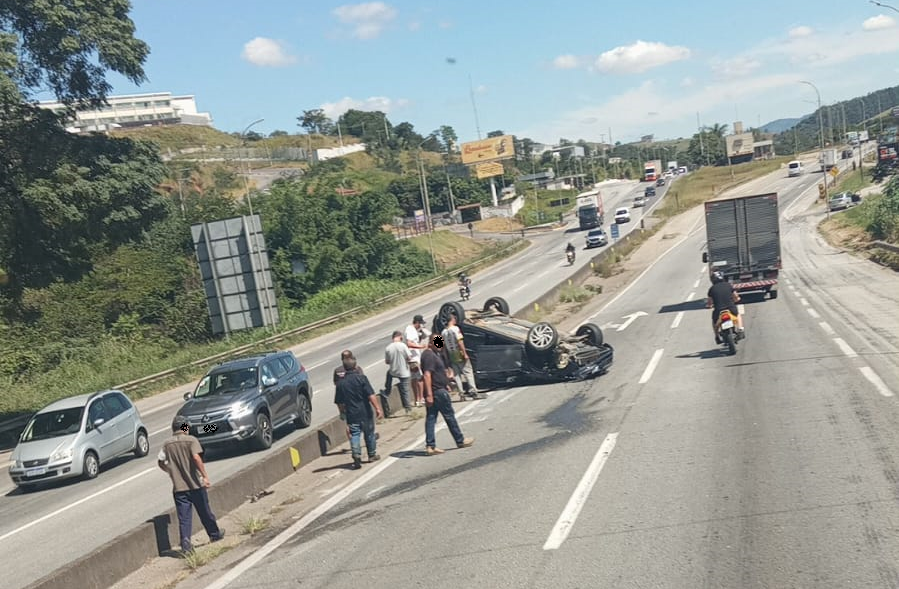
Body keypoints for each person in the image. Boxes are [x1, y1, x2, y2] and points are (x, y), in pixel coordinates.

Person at [157, 423, 225, 553]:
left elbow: (160, 461)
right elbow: (196, 457)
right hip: (195, 485)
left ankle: (186, 544)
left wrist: (170, 471)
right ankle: (214, 534)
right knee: (205, 511)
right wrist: (205, 476)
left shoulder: (167, 444)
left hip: (179, 488)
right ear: (185, 428)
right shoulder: (191, 440)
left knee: (184, 518)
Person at [421, 333, 474, 456]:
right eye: (437, 342)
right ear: (430, 343)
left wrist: (447, 382)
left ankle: (430, 445)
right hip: (437, 391)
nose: (440, 345)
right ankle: (460, 440)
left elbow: (436, 374)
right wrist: (429, 394)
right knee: (449, 415)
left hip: (438, 389)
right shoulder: (429, 355)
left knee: (431, 418)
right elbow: (427, 375)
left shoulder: (434, 354)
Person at [335, 357, 383, 469]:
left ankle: (356, 454)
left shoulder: (341, 384)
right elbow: (370, 395)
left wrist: (342, 411)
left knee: (355, 434)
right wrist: (378, 408)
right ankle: (372, 455)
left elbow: (339, 402)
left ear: (345, 368)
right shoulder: (362, 378)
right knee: (369, 433)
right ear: (355, 366)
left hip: (351, 413)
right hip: (365, 411)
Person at [441, 313, 482, 400]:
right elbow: (460, 342)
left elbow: (443, 347)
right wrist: (465, 353)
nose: (455, 320)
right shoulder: (455, 329)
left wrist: (446, 357)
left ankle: (461, 394)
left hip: (451, 354)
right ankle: (473, 391)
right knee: (468, 372)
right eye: (454, 318)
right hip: (459, 352)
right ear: (452, 319)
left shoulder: (443, 332)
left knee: (456, 375)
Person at [334, 350, 365, 441]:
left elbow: (336, 383)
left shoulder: (337, 370)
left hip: (344, 400)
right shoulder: (357, 369)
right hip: (357, 398)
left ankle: (352, 441)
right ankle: (361, 438)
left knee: (349, 423)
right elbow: (362, 382)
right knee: (363, 419)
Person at [706, 271, 744, 344]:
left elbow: (709, 302)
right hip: (731, 308)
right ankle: (741, 329)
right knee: (738, 314)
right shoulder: (728, 285)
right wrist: (737, 299)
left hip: (718, 310)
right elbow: (735, 296)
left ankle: (717, 336)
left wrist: (709, 305)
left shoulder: (711, 289)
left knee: (714, 322)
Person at [384, 330, 413, 414]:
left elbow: (387, 361)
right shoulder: (403, 345)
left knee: (388, 374)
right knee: (405, 390)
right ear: (400, 337)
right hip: (404, 371)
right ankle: (408, 408)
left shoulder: (388, 347)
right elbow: (409, 357)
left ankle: (387, 390)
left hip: (394, 370)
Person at [405, 315, 429, 406]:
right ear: (417, 323)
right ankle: (420, 398)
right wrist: (421, 346)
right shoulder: (410, 329)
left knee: (415, 378)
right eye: (421, 324)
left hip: (414, 357)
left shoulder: (413, 330)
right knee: (419, 378)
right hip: (414, 358)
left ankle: (417, 399)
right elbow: (409, 343)